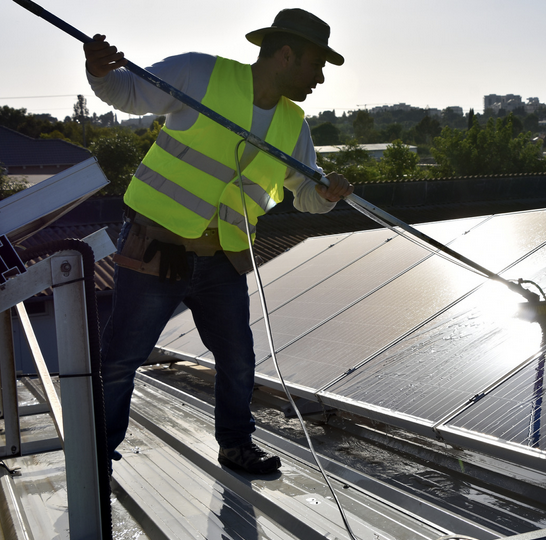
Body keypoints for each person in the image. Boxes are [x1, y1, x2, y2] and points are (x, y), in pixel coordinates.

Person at [84, 8, 353, 475]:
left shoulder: (294, 125)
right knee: (122, 358)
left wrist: (326, 194)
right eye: (316, 64)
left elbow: (306, 194)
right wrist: (98, 68)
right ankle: (98, 458)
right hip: (156, 245)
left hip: (222, 258)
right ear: (287, 55)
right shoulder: (199, 73)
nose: (320, 78)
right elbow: (124, 92)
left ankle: (235, 446)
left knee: (238, 360)